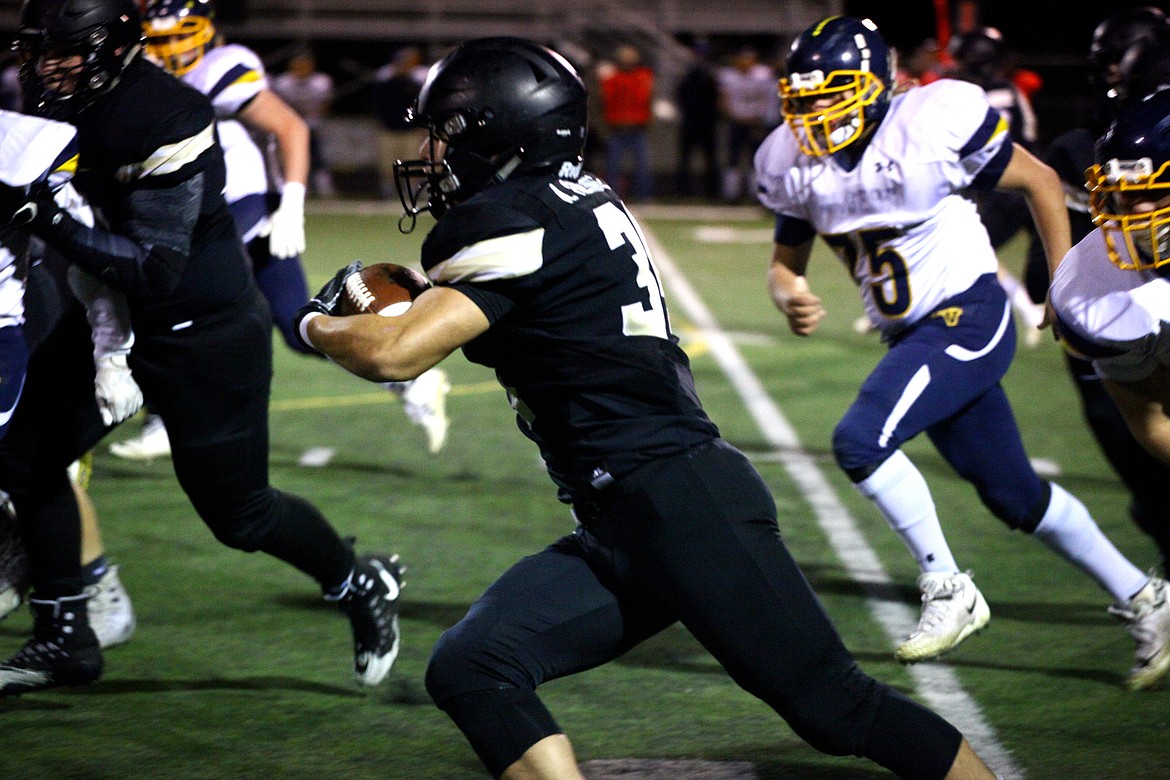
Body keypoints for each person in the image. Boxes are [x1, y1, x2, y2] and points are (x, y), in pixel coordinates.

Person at [299, 36, 996, 780]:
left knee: (838, 709)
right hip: (624, 516)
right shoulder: (573, 196)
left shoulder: (505, 220)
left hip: (679, 502)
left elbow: (391, 354)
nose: (431, 154)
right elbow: (518, 298)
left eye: (445, 134)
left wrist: (316, 321)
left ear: (497, 135)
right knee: (475, 665)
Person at [754, 15, 1170, 690]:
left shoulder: (925, 125)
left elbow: (1037, 180)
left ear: (873, 84)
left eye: (831, 93)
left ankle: (948, 587)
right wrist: (788, 290)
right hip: (909, 334)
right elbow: (785, 260)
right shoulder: (791, 162)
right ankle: (1149, 599)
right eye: (805, 98)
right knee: (1014, 495)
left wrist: (1062, 288)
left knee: (861, 439)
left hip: (966, 315)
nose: (817, 112)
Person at [0, 0, 402, 696]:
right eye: (38, 49)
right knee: (26, 458)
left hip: (200, 329)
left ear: (115, 46)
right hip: (107, 309)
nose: (48, 65)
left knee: (238, 515)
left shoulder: (168, 114)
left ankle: (354, 581)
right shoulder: (52, 105)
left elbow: (156, 267)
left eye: (66, 49)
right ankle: (65, 633)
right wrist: (104, 339)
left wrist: (45, 219)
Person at [122, 0, 449, 460]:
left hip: (245, 205)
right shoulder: (142, 79)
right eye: (159, 39)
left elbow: (290, 126)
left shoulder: (220, 66)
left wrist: (293, 202)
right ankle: (406, 379)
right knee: (289, 327)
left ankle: (165, 416)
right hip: (197, 211)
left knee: (173, 302)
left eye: (179, 35)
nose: (170, 48)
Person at [1021, 7, 1170, 573]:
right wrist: (1060, 281)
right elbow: (1148, 419)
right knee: (1131, 442)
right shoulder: (1094, 140)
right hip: (1123, 306)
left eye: (1119, 56)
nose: (1108, 69)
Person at [0, 108, 137, 648]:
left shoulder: (24, 140)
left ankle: (92, 584)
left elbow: (88, 246)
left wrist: (112, 353)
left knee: (33, 456)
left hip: (33, 306)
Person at [1048, 86, 1170, 689]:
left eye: (1150, 194)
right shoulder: (1090, 292)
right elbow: (1150, 414)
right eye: (1120, 195)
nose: (1130, 214)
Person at [717, 45, 777, 203]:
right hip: (736, 121)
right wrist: (735, 117)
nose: (745, 62)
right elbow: (723, 101)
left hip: (756, 122)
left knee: (755, 159)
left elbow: (767, 100)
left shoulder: (763, 74)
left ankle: (755, 195)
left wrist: (758, 118)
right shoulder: (728, 76)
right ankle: (731, 196)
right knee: (733, 159)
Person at [272, 49, 335, 198]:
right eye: (299, 65)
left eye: (305, 65)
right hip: (289, 127)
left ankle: (324, 189)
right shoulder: (283, 83)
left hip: (313, 125)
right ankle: (289, 189)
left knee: (318, 158)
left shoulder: (321, 82)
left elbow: (326, 105)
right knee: (288, 159)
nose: (302, 69)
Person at [597, 43, 653, 202]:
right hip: (618, 128)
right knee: (612, 166)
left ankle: (644, 197)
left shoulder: (642, 76)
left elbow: (643, 96)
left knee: (642, 167)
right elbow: (606, 98)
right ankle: (612, 197)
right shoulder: (612, 76)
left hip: (637, 128)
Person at [373, 46, 428, 201]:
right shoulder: (386, 83)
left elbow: (420, 107)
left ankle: (411, 191)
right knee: (387, 164)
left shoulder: (416, 84)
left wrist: (420, 126)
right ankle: (387, 192)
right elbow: (379, 106)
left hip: (409, 130)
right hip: (389, 129)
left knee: (411, 162)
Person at [673, 38, 720, 199]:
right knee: (685, 159)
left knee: (710, 158)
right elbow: (680, 95)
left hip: (707, 121)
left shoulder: (711, 73)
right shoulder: (689, 72)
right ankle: (682, 191)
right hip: (691, 120)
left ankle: (713, 192)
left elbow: (716, 97)